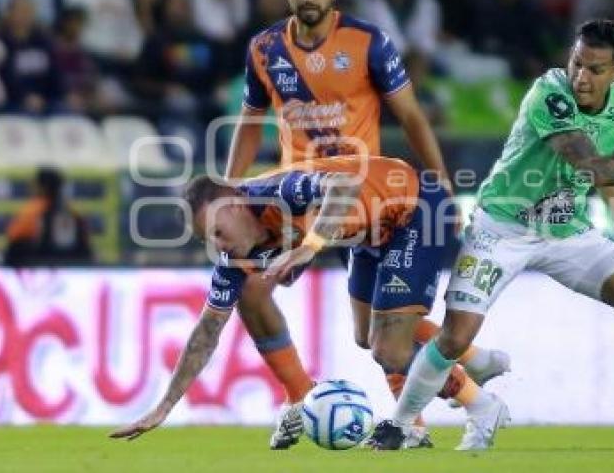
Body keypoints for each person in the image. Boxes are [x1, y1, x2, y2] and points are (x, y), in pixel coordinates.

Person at [369, 19, 614, 451]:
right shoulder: (549, 93)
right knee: (456, 337)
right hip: (501, 227)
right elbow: (591, 167)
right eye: (577, 63)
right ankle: (400, 423)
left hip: (565, 231)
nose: (582, 76)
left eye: (595, 69)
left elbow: (606, 173)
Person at [224, 0, 509, 449]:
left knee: (385, 337)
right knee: (359, 331)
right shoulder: (264, 50)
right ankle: (459, 369)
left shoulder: (367, 42)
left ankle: (440, 407)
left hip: (368, 199)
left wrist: (440, 181)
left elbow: (412, 116)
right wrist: (230, 190)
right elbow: (249, 125)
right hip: (305, 203)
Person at [110, 156, 507, 452]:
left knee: (390, 348)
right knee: (367, 339)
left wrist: (309, 247)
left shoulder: (275, 192)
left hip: (414, 207)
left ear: (233, 204)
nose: (218, 246)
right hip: (367, 234)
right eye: (207, 241)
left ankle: (481, 404)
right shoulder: (235, 257)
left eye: (217, 231)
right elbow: (206, 333)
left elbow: (343, 184)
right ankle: (477, 359)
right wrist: (164, 408)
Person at [5, 167, 92, 266]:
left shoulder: (29, 213)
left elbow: (13, 245)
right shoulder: (74, 214)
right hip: (71, 270)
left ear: (40, 187)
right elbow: (86, 249)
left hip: (35, 268)